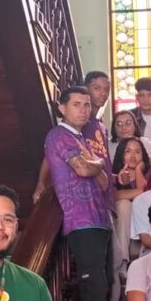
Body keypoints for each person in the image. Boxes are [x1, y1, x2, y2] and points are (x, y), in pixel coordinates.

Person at [44, 86, 114, 301]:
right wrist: (95, 164)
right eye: (77, 104)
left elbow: (105, 181)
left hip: (99, 219)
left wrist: (92, 163)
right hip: (81, 221)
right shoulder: (59, 135)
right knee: (93, 288)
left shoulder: (83, 139)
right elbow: (84, 169)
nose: (84, 110)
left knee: (104, 285)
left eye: (87, 105)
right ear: (62, 107)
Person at [33, 72, 112, 203]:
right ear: (86, 89)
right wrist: (41, 183)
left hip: (103, 195)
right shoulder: (74, 125)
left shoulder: (100, 126)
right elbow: (51, 156)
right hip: (79, 197)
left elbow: (103, 163)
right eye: (97, 88)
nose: (103, 93)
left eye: (106, 89)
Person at [110, 136, 151, 301]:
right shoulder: (115, 176)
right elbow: (115, 197)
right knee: (124, 205)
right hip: (124, 240)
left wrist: (139, 171)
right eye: (128, 151)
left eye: (137, 151)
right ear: (121, 154)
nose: (133, 155)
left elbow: (148, 194)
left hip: (146, 239)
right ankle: (122, 266)